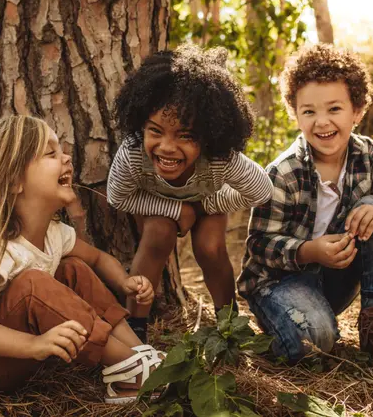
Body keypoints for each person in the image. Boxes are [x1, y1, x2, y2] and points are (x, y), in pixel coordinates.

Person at [0, 115, 162, 404]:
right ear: (13, 181)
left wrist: (124, 282)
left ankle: (137, 354)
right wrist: (34, 344)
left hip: (12, 353)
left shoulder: (54, 234)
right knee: (34, 284)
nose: (67, 158)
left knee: (73, 268)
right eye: (51, 153)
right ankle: (130, 371)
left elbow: (97, 259)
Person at [238, 44, 373, 375]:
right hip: (279, 283)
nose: (322, 122)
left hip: (335, 279)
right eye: (309, 112)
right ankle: (286, 326)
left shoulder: (366, 154)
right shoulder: (284, 171)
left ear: (358, 111)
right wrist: (309, 251)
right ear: (295, 115)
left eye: (334, 109)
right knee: (316, 340)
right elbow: (259, 244)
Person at [107, 44, 272, 342]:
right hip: (157, 205)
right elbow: (118, 197)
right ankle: (135, 332)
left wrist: (210, 203)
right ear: (141, 125)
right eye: (155, 131)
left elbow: (260, 190)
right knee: (158, 234)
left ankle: (229, 326)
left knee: (210, 247)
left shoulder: (220, 159)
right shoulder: (133, 153)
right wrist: (175, 210)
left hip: (206, 202)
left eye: (185, 136)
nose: (167, 147)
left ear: (209, 137)